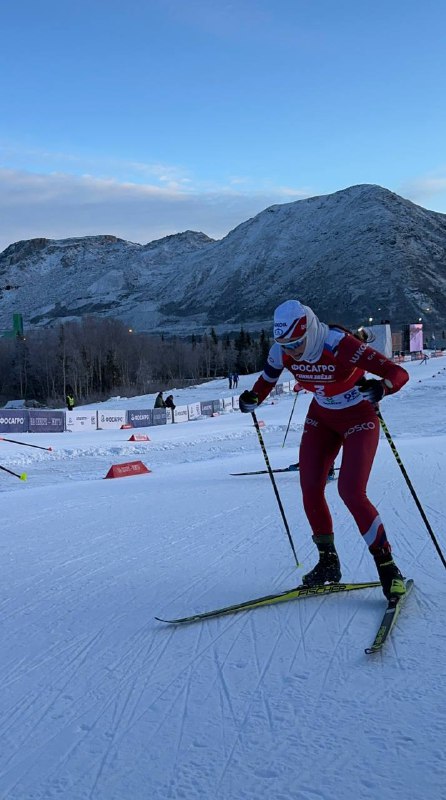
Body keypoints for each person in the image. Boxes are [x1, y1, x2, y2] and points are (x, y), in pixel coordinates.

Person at [238, 299, 409, 600]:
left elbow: (397, 373)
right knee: (310, 487)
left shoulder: (339, 344)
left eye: (297, 343)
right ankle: (328, 563)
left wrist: (383, 387)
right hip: (322, 417)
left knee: (351, 491)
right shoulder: (282, 349)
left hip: (358, 416)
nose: (291, 351)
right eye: (285, 344)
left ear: (311, 332)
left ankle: (388, 567)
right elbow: (267, 379)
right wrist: (252, 398)